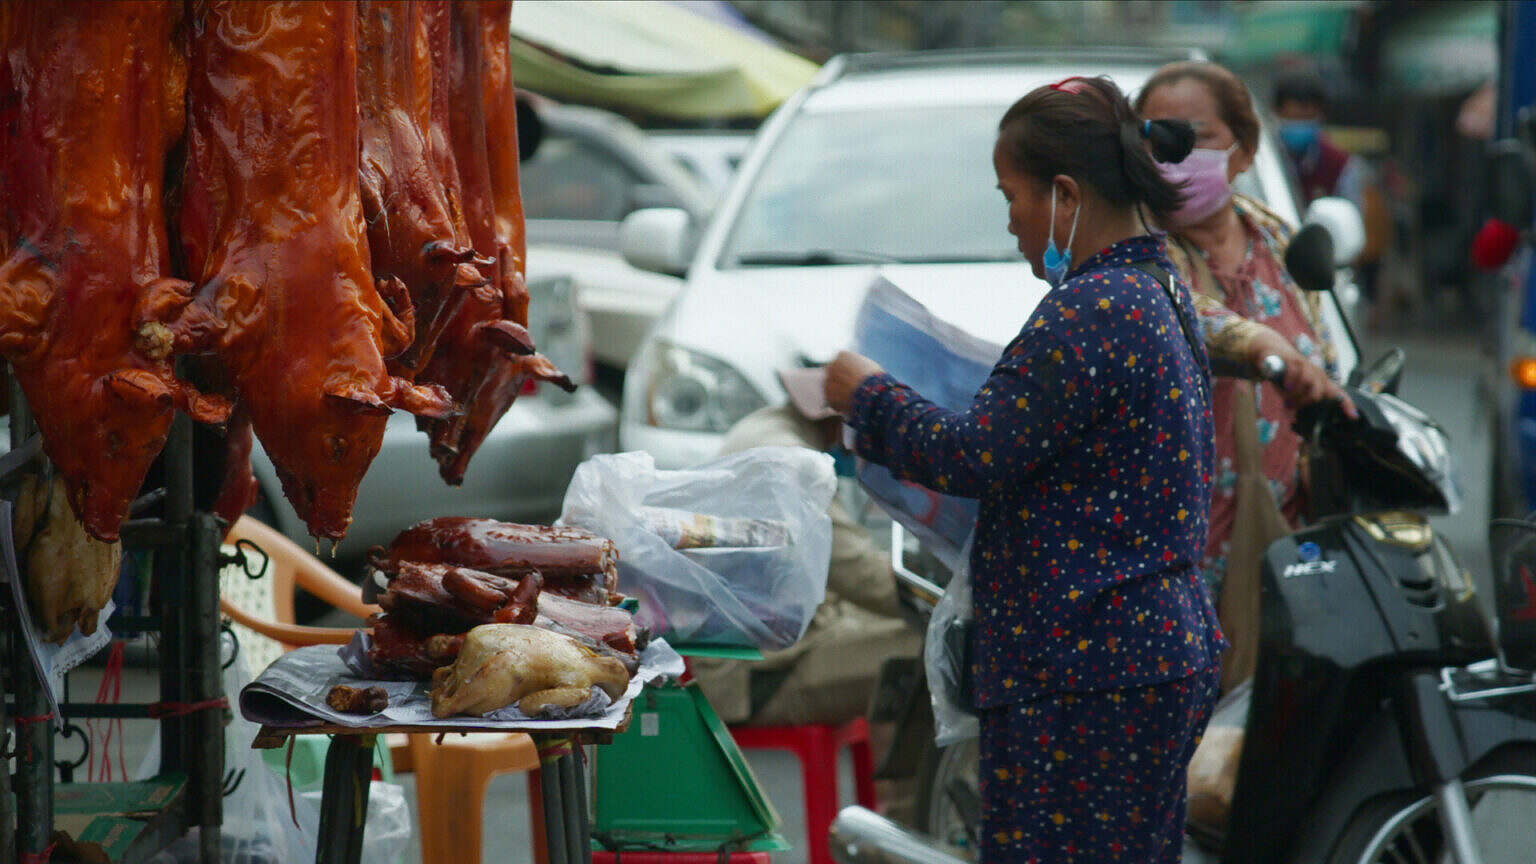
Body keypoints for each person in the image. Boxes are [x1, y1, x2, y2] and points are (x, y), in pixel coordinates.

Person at [824, 76, 1225, 863]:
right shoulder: (1153, 288)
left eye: (1012, 196)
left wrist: (865, 394)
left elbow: (973, 452)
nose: (1009, 221)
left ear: (1065, 195)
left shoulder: (1095, 308)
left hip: (1089, 667)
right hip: (1133, 657)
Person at [1136, 61, 1354, 691]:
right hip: (1179, 563)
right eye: (1158, 139)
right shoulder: (1139, 245)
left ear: (1244, 149)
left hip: (1284, 543)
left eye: (1195, 137)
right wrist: (1258, 343)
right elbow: (1182, 312)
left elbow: (1322, 353)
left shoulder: (1276, 236)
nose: (1173, 156)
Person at [690, 393, 922, 729]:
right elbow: (862, 576)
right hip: (755, 675)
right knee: (930, 650)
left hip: (763, 643)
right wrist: (938, 603)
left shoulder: (767, 426)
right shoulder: (791, 463)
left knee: (912, 633)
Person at [1272, 73, 1368, 209]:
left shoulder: (1340, 165)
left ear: (1321, 116)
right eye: (1294, 118)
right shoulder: (1261, 159)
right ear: (1277, 113)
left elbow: (1351, 212)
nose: (1300, 124)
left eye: (1307, 118)